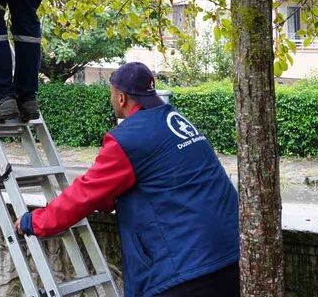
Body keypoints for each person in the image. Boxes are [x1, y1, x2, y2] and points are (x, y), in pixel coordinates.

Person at [14, 62, 240, 297]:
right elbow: (159, 181)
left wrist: (34, 221)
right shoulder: (176, 121)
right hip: (230, 257)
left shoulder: (129, 138)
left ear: (121, 98)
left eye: (111, 94)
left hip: (185, 271)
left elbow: (85, 193)